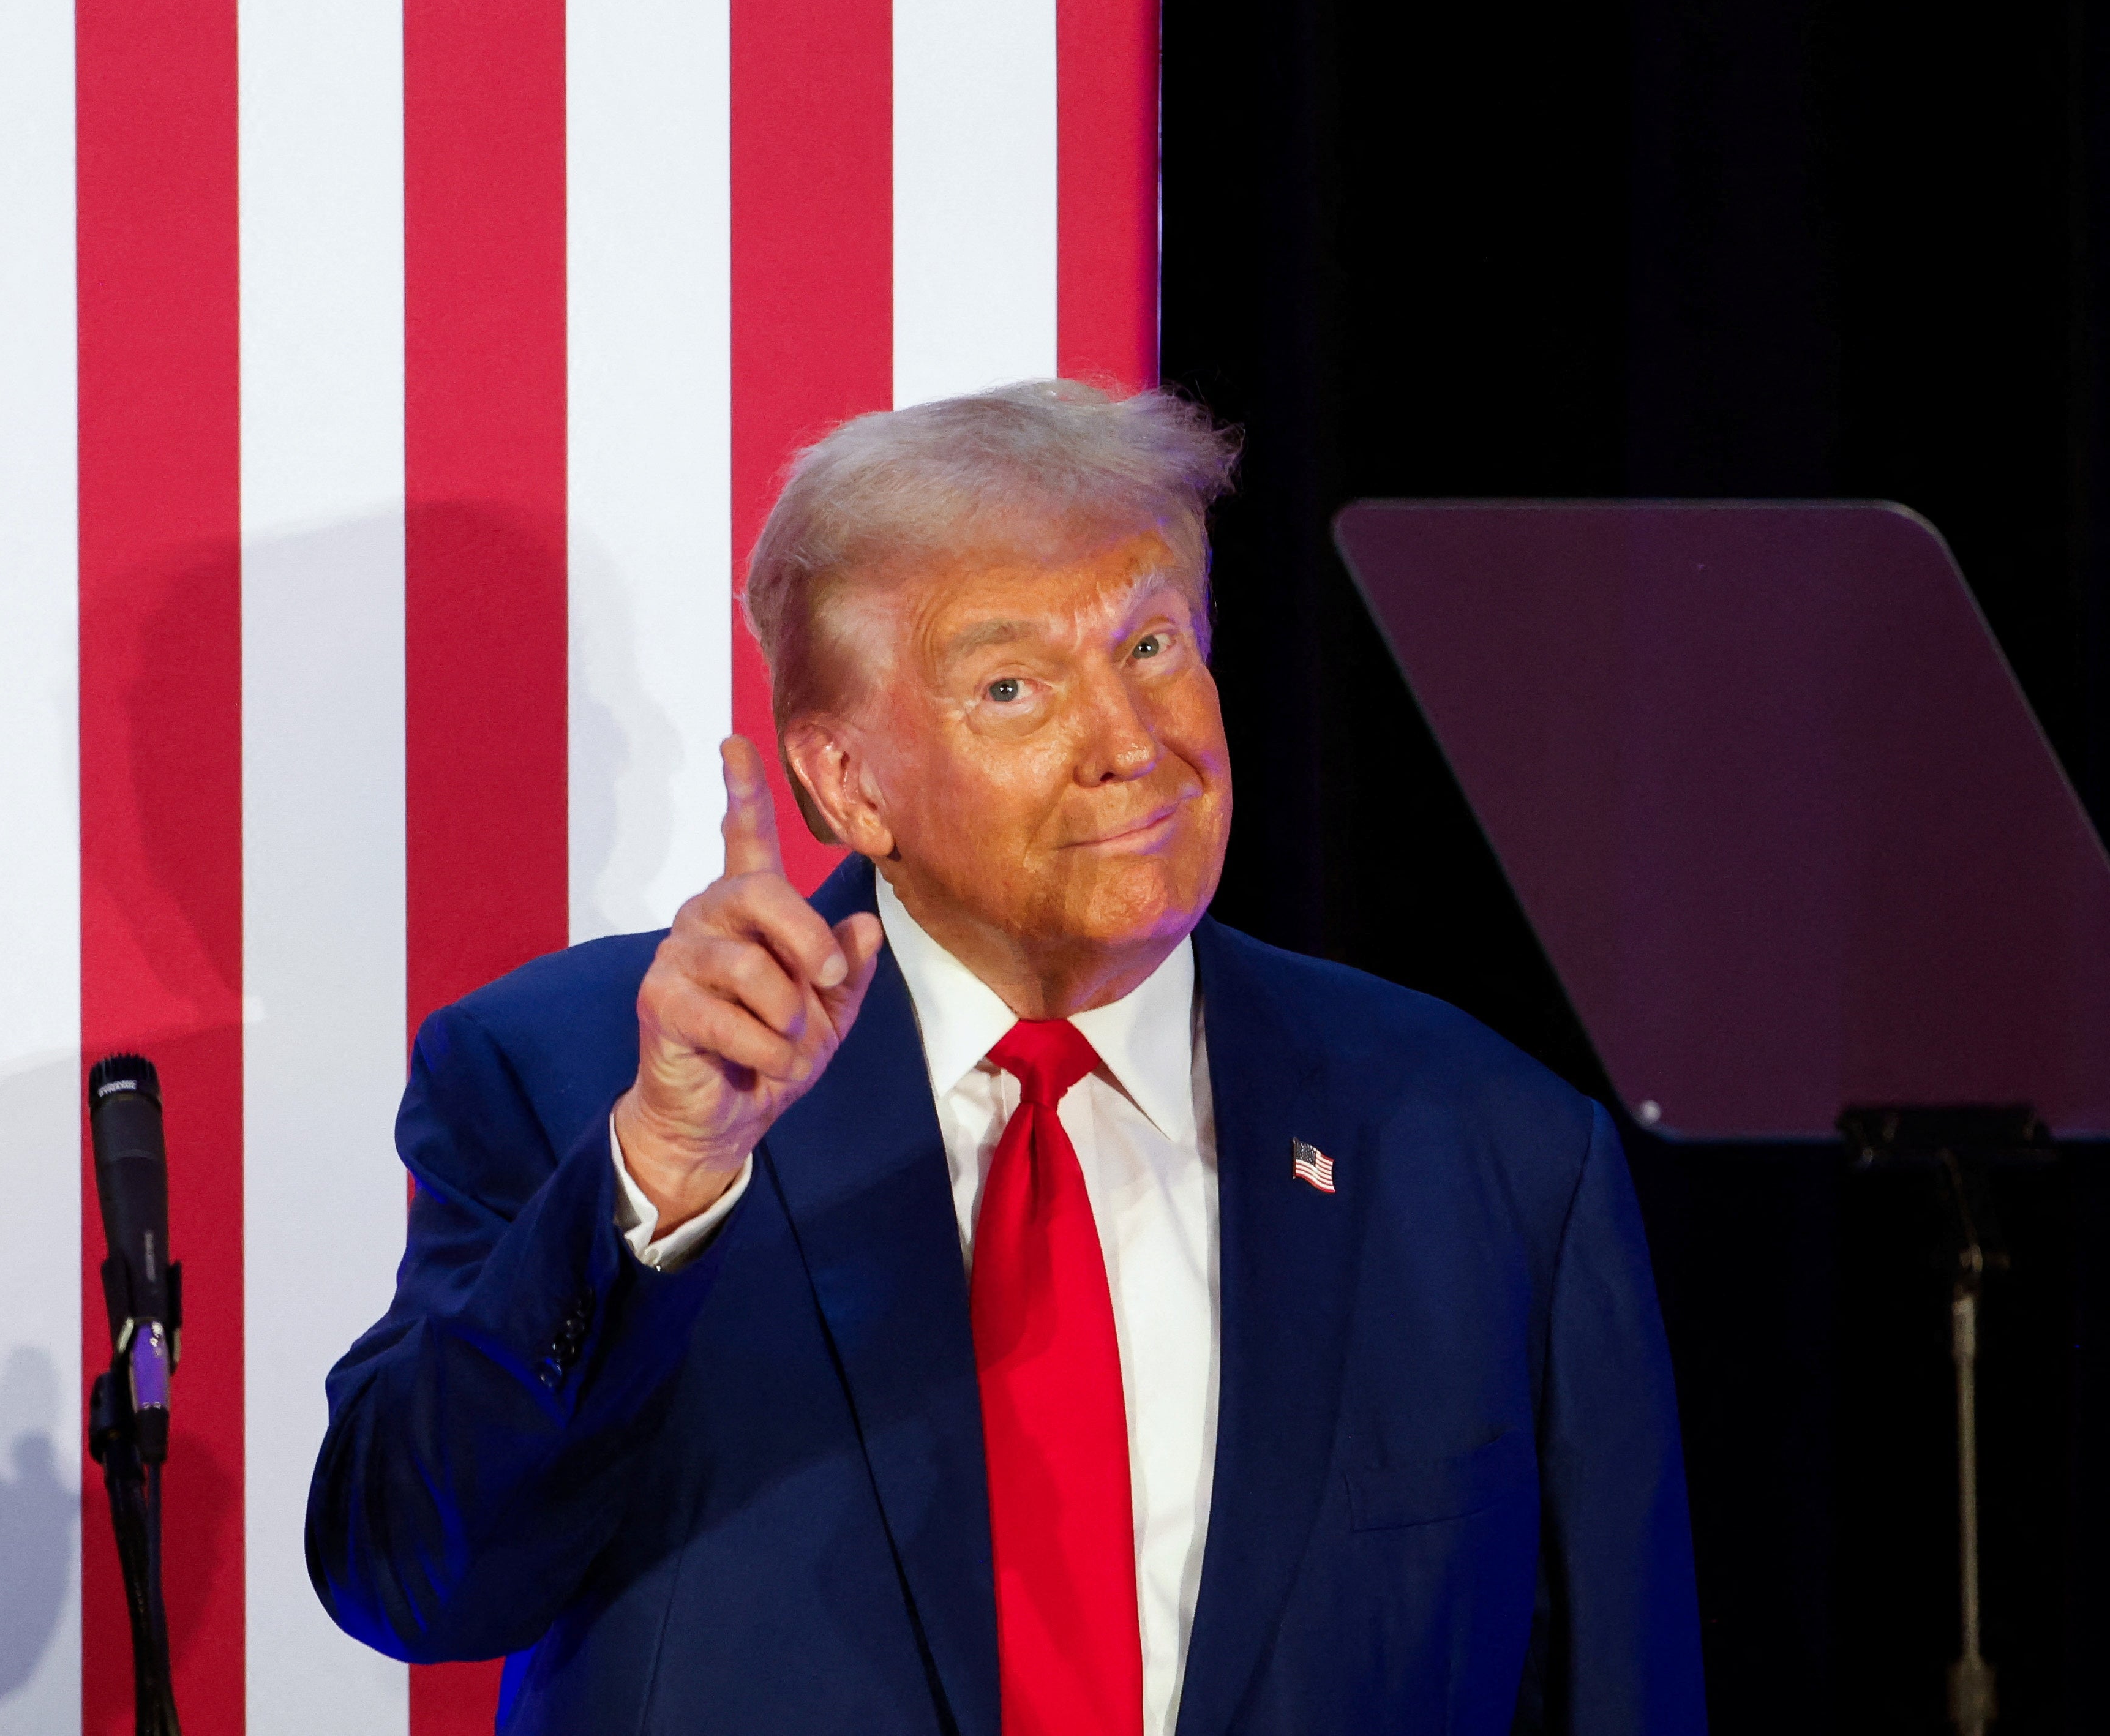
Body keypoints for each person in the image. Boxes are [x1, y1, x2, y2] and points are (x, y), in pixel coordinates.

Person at [307, 380, 1705, 1734]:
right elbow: (408, 1574)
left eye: (1152, 644)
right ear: (850, 781)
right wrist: (665, 1174)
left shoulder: (1491, 1145)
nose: (1129, 743)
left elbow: (1613, 1687)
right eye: (1015, 684)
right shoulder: (579, 1080)